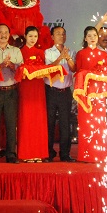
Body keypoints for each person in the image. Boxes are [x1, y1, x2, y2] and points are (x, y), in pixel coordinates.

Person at [73, 26, 107, 163]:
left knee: (99, 123)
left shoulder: (103, 54)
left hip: (99, 93)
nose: (92, 38)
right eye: (89, 36)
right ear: (85, 38)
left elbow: (106, 72)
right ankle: (86, 155)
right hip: (85, 94)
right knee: (86, 124)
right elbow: (78, 72)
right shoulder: (81, 54)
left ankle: (100, 154)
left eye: (95, 35)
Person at [0, 24, 23, 163]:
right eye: (0, 32)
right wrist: (0, 66)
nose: (3, 35)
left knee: (11, 123)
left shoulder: (16, 51)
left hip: (11, 91)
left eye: (6, 32)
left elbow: (22, 70)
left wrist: (12, 66)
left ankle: (11, 154)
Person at [44, 26, 76, 162]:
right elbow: (48, 69)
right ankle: (48, 153)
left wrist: (67, 58)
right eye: (58, 34)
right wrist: (60, 57)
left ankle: (65, 154)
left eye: (63, 34)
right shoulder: (47, 52)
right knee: (49, 123)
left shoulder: (71, 51)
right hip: (51, 91)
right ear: (52, 37)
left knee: (65, 124)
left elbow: (74, 69)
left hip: (65, 92)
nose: (61, 36)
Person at [17, 26, 49, 162]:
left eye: (35, 36)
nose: (33, 39)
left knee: (38, 120)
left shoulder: (41, 52)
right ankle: (26, 154)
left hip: (38, 88)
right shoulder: (20, 52)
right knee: (26, 119)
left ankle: (38, 153)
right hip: (25, 88)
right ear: (25, 36)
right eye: (30, 36)